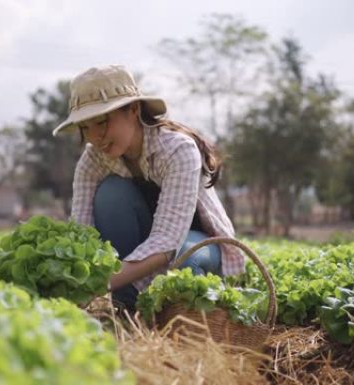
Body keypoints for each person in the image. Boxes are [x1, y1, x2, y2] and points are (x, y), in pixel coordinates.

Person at [53, 65, 245, 312]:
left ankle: (180, 317)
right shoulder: (92, 161)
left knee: (183, 263)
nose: (95, 136)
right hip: (144, 246)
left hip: (195, 244)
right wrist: (68, 280)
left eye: (101, 122)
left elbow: (167, 241)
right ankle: (128, 306)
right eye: (85, 128)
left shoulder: (177, 150)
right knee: (111, 193)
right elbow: (81, 232)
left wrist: (97, 284)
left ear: (133, 110)